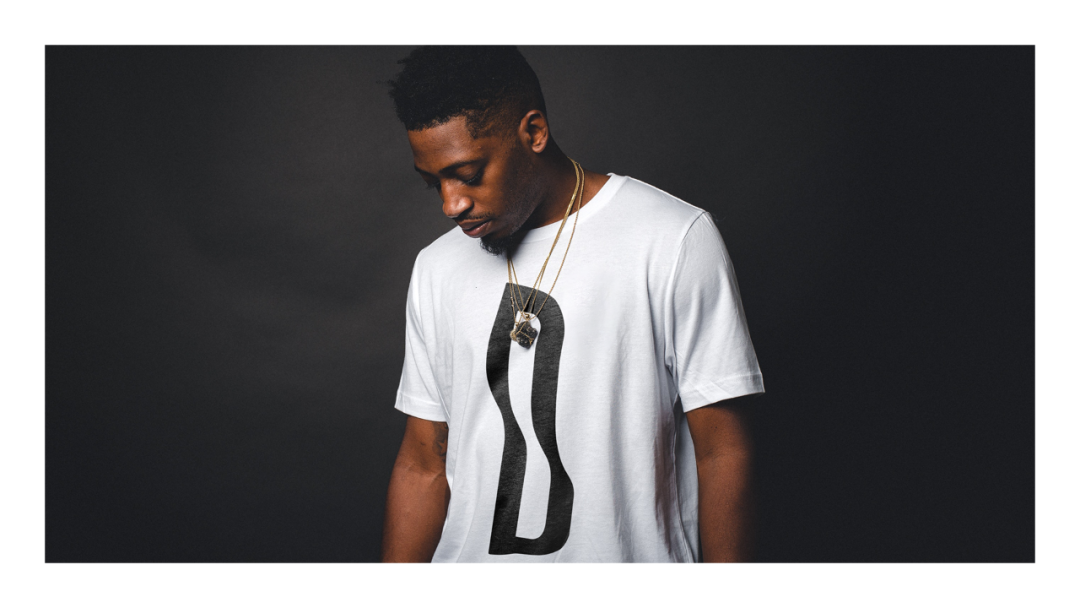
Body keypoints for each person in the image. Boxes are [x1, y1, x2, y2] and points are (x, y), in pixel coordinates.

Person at [381, 46, 764, 563]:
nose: (452, 204)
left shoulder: (671, 239)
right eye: (434, 183)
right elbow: (424, 463)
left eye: (468, 174)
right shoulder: (437, 267)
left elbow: (722, 451)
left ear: (534, 132)